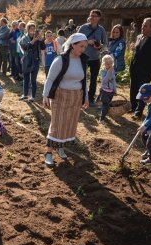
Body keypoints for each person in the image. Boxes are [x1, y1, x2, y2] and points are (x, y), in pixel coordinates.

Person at [42, 33, 89, 165]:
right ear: (72, 45)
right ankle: (48, 152)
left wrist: (85, 97)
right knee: (57, 124)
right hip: (60, 97)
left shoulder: (83, 60)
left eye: (85, 47)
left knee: (69, 125)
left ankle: (61, 148)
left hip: (75, 97)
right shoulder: (61, 60)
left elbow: (84, 80)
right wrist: (45, 95)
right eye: (81, 46)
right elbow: (50, 79)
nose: (83, 49)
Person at [129, 18, 151, 120]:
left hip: (146, 70)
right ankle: (132, 106)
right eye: (142, 25)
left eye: (145, 26)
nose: (142, 27)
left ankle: (138, 112)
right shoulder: (139, 37)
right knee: (133, 88)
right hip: (135, 68)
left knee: (143, 90)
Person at [78, 9, 107, 106]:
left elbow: (105, 43)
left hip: (95, 58)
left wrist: (99, 46)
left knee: (93, 79)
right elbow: (76, 41)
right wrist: (87, 42)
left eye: (94, 15)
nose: (91, 17)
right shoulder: (83, 28)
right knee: (81, 78)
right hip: (83, 56)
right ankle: (81, 97)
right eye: (90, 15)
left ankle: (90, 98)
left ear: (98, 18)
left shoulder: (101, 29)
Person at [19, 22, 45, 102]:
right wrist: (33, 41)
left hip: (35, 60)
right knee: (26, 78)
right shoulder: (24, 38)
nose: (32, 31)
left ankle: (33, 96)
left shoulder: (38, 38)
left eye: (34, 29)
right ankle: (25, 95)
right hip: (27, 60)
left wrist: (41, 40)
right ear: (28, 29)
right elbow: (25, 48)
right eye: (31, 29)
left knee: (33, 80)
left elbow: (43, 48)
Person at [136, 84, 151, 165]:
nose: (144, 99)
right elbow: (149, 116)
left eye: (146, 97)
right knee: (144, 135)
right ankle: (150, 151)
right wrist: (143, 125)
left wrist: (145, 126)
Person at [98, 55, 117, 124]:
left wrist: (115, 90)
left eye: (110, 64)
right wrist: (109, 72)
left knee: (107, 104)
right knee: (105, 105)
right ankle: (101, 119)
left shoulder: (112, 70)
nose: (109, 65)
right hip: (104, 90)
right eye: (107, 64)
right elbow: (104, 81)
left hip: (110, 91)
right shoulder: (103, 71)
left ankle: (104, 115)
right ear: (104, 64)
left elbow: (114, 81)